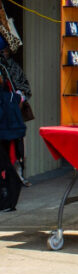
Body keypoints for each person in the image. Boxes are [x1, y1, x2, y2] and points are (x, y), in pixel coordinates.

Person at [0, 42, 30, 210]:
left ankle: (7, 200)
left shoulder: (6, 68)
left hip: (5, 127)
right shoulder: (4, 68)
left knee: (5, 164)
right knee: (5, 164)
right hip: (8, 127)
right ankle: (8, 199)